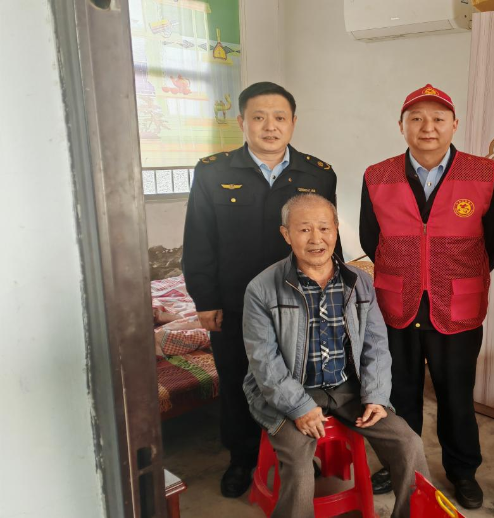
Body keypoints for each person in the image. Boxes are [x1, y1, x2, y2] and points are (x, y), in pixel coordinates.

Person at [182, 81, 342, 497]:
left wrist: (333, 296)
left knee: (299, 378)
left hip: (300, 302)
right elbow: (199, 240)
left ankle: (298, 454)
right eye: (259, 117)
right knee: (239, 380)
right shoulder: (213, 172)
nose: (270, 127)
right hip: (235, 303)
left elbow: (328, 240)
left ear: (293, 123)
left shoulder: (318, 174)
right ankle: (242, 457)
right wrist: (205, 300)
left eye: (279, 118)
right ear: (242, 122)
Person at [360, 84, 494, 509]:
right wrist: (408, 267)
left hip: (457, 304)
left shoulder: (484, 172)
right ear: (402, 126)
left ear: (454, 125)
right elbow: (371, 239)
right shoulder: (377, 175)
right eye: (417, 118)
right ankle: (399, 465)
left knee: (456, 395)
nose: (428, 127)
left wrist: (452, 272)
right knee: (398, 394)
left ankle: (462, 471)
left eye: (438, 118)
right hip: (397, 303)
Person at [242, 194, 429, 518]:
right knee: (299, 464)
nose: (316, 239)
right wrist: (299, 407)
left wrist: (376, 396)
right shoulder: (262, 288)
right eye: (304, 230)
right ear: (286, 234)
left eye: (324, 228)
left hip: (346, 389)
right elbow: (264, 362)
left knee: (408, 443)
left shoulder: (360, 282)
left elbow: (375, 345)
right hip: (289, 391)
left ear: (336, 229)